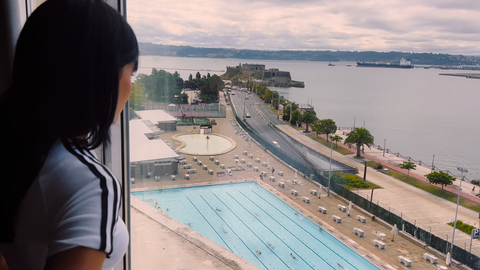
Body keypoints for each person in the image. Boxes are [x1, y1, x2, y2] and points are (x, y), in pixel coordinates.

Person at [0, 0, 139, 269]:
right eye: (130, 72)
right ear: (102, 76)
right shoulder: (89, 183)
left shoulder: (17, 147)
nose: (130, 87)